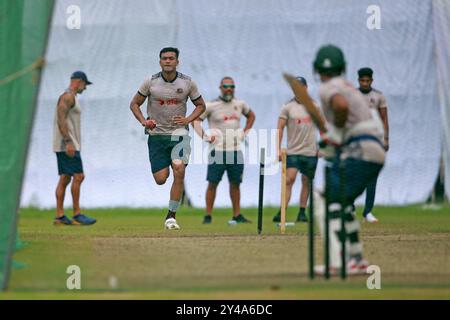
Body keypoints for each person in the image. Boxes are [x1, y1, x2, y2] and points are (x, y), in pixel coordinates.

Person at [295, 44, 385, 275]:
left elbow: (341, 107)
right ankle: (356, 259)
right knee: (343, 203)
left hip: (361, 149)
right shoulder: (348, 87)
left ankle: (338, 261)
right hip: (373, 149)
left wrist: (335, 134)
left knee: (323, 198)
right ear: (343, 68)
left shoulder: (328, 88)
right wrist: (335, 141)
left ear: (317, 69)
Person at [130, 47, 206, 230]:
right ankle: (172, 191)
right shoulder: (150, 82)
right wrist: (143, 121)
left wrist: (188, 120)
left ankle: (171, 216)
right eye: (164, 58)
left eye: (171, 58)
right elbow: (134, 104)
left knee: (179, 168)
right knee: (161, 179)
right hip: (156, 137)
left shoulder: (187, 82)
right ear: (160, 61)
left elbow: (201, 105)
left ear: (177, 61)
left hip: (179, 135)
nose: (168, 61)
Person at [193, 77, 255, 224]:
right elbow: (195, 121)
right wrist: (205, 137)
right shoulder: (211, 105)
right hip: (218, 151)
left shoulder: (240, 104)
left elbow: (251, 116)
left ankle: (237, 215)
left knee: (235, 183)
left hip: (235, 150)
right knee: (213, 183)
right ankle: (208, 215)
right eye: (226, 86)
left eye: (231, 86)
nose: (229, 89)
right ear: (220, 87)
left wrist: (245, 132)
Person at [272, 77, 320, 223]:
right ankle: (283, 211)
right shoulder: (287, 107)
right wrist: (278, 150)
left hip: (310, 151)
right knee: (289, 179)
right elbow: (279, 128)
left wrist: (323, 147)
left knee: (306, 181)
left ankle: (302, 212)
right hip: (293, 151)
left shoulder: (314, 106)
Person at [53, 71, 97, 226]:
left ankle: (60, 217)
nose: (85, 88)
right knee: (79, 176)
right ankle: (77, 214)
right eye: (85, 84)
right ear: (78, 81)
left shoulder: (71, 97)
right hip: (67, 144)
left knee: (65, 178)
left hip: (67, 144)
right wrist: (68, 142)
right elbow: (60, 117)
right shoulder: (68, 96)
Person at [357, 67, 389, 223]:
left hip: (374, 141)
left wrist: (386, 139)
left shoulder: (378, 96)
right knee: (353, 174)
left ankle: (367, 212)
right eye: (362, 80)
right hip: (356, 141)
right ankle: (349, 208)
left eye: (367, 80)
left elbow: (384, 119)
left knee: (371, 177)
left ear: (371, 80)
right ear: (358, 81)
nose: (364, 83)